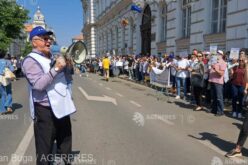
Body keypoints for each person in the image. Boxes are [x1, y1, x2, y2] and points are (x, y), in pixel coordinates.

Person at [22, 26, 76, 165]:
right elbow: (39, 85)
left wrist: (68, 67)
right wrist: (56, 68)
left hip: (62, 107)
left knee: (65, 146)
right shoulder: (30, 60)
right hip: (45, 111)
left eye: (49, 39)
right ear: (34, 42)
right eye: (45, 39)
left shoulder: (53, 56)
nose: (49, 42)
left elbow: (67, 78)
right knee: (44, 150)